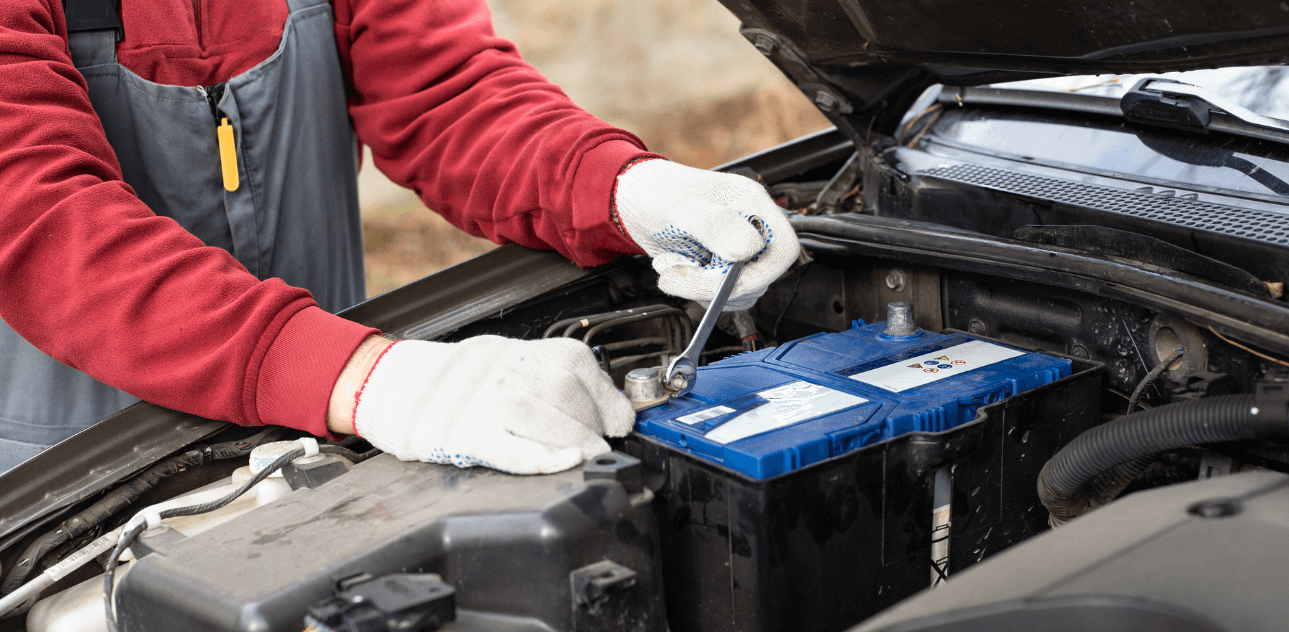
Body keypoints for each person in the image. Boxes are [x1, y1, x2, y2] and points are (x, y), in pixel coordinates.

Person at [0, 0, 799, 475]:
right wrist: (366, 376)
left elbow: (447, 94)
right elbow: (34, 209)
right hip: (73, 475)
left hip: (338, 423)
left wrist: (623, 190)